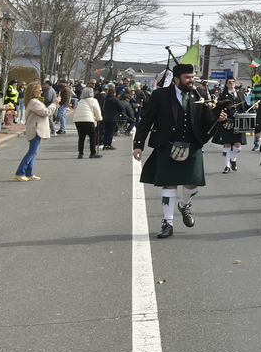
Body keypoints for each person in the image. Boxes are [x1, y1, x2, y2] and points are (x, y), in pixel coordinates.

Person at [134, 63, 226, 239]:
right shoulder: (160, 95)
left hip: (192, 145)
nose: (191, 80)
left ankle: (184, 205)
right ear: (176, 79)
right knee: (169, 184)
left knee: (192, 183)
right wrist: (138, 145)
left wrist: (218, 118)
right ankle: (167, 223)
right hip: (167, 144)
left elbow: (206, 121)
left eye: (192, 77)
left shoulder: (199, 94)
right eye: (187, 78)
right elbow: (147, 120)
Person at [15, 81, 55, 181]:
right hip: (35, 129)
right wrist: (54, 104)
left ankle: (29, 172)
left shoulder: (34, 101)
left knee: (33, 152)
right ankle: (20, 172)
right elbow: (45, 112)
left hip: (36, 128)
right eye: (39, 90)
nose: (41, 92)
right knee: (32, 151)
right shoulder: (34, 102)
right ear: (34, 92)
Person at [212, 76, 247, 173]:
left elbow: (245, 107)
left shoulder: (240, 94)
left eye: (233, 82)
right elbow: (218, 107)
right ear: (227, 84)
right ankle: (227, 166)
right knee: (227, 144)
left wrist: (253, 106)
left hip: (239, 122)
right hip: (227, 121)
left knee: (238, 145)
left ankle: (233, 159)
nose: (232, 84)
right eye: (230, 82)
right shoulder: (223, 96)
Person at [70, 86, 103, 158]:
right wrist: (99, 118)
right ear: (91, 93)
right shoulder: (93, 100)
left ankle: (80, 153)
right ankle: (92, 153)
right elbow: (97, 111)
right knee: (93, 135)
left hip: (78, 120)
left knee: (81, 136)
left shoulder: (80, 101)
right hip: (88, 119)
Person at [102, 84, 127, 149]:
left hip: (106, 116)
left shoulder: (106, 99)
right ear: (114, 93)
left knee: (106, 131)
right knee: (111, 131)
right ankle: (109, 144)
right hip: (114, 117)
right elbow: (121, 107)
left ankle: (105, 144)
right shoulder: (115, 99)